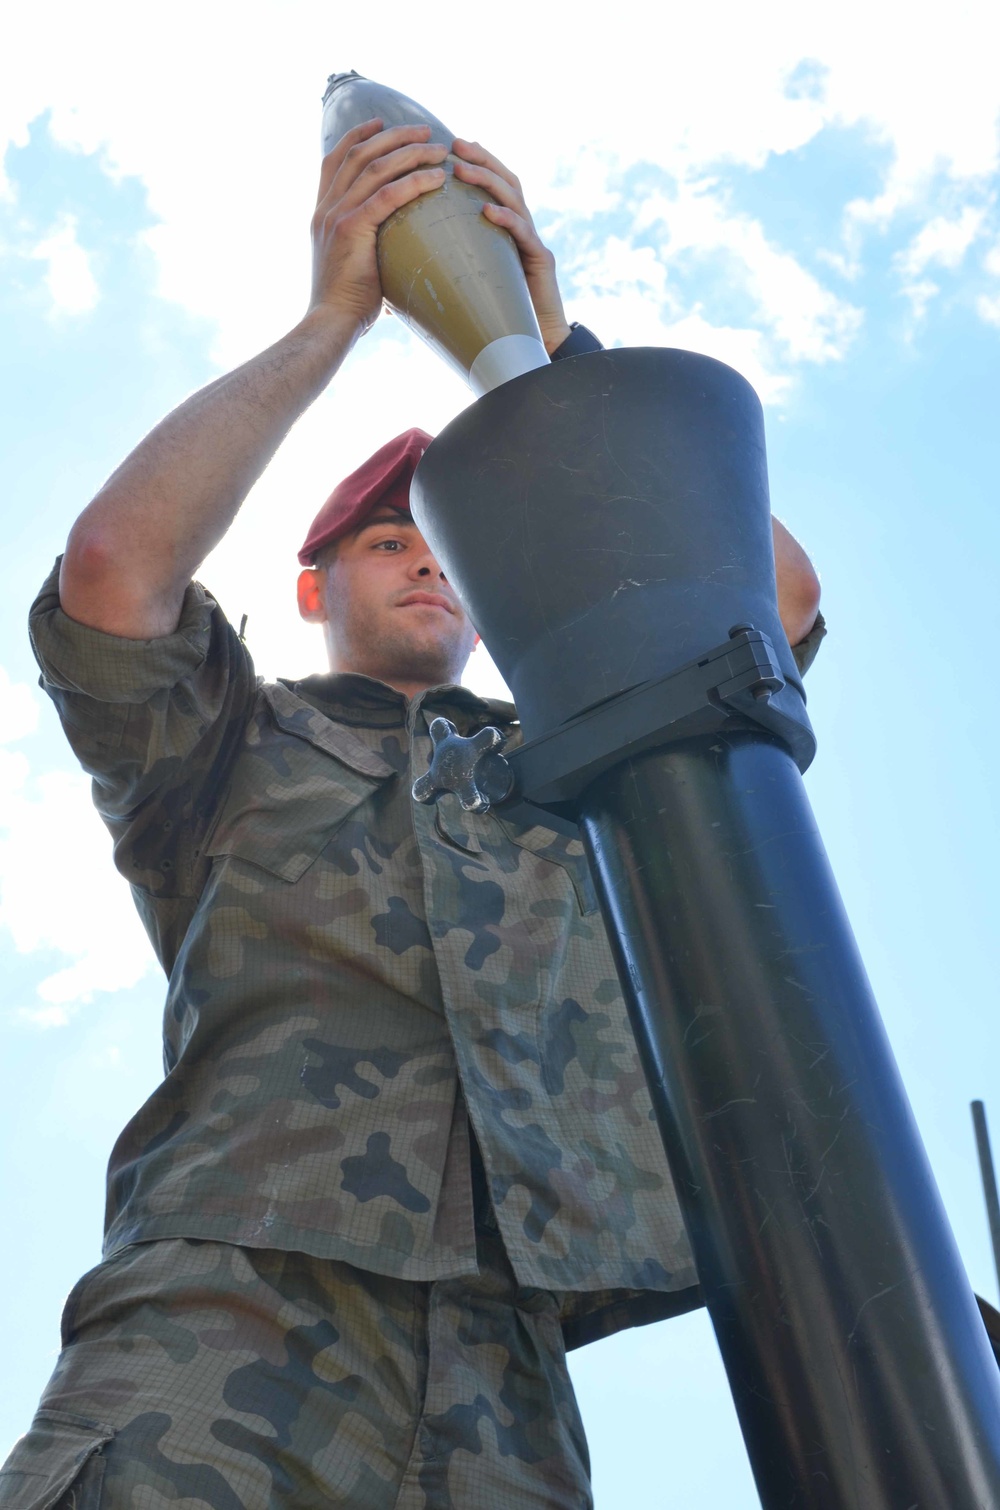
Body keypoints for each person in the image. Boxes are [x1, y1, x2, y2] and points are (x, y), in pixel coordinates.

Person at [2, 121, 823, 1510]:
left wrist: (544, 349)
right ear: (317, 585)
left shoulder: (575, 762)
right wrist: (336, 316)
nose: (427, 563)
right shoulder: (230, 737)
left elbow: (769, 601)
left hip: (512, 1353)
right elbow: (113, 572)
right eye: (387, 542)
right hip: (237, 1295)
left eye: (445, 545)